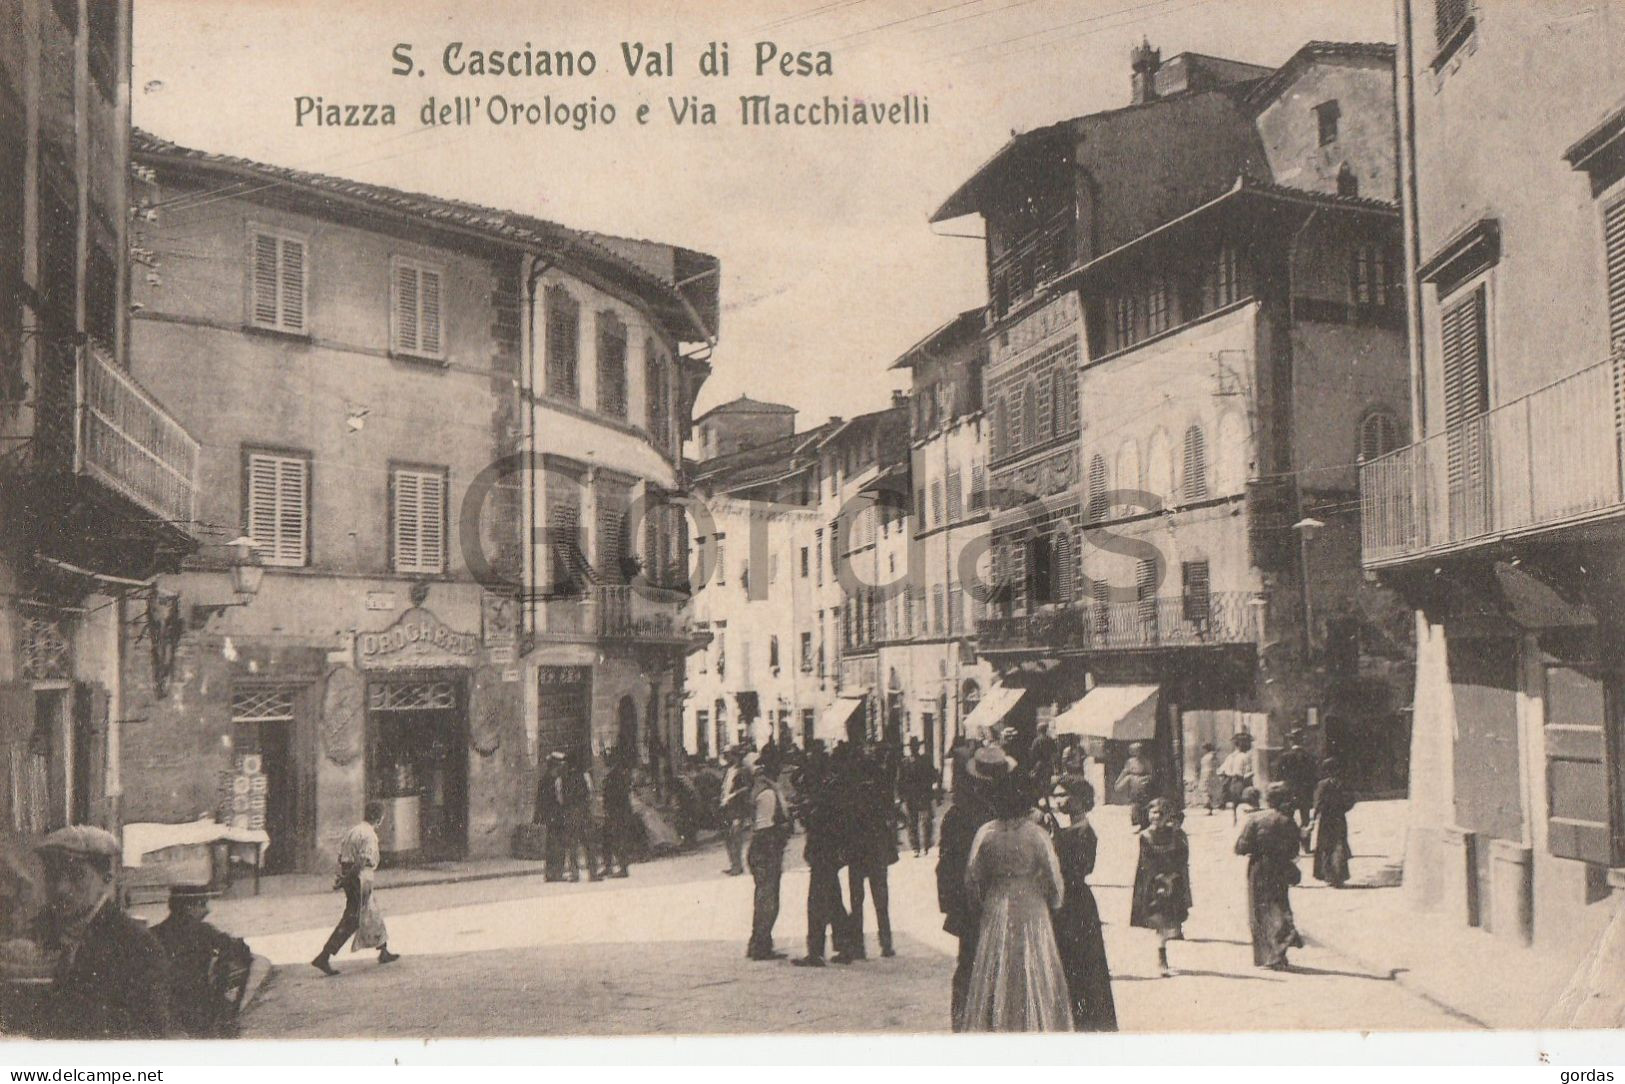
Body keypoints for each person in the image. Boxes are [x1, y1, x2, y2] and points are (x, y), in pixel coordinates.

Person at [960, 753, 1072, 1033]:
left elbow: (972, 878)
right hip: (1032, 906)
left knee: (997, 967)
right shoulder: (1036, 835)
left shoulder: (986, 833)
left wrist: (981, 904)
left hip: (997, 904)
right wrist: (1054, 903)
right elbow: (1054, 877)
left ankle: (999, 1024)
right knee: (1033, 964)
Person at [29, 826, 173, 1039]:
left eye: (76, 875)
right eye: (53, 875)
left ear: (106, 878)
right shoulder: (45, 928)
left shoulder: (136, 946)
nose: (61, 887)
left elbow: (150, 1040)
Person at [152, 885, 268, 1037]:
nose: (207, 910)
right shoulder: (203, 931)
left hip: (163, 1005)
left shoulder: (154, 933)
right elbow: (241, 952)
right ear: (189, 907)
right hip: (198, 1005)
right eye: (203, 905)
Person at [937, 745, 998, 1030]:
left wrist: (951, 905)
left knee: (968, 964)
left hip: (968, 902)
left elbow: (945, 866)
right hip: (990, 899)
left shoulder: (956, 815)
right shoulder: (995, 811)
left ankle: (963, 1023)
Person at [1052, 783, 1117, 1032]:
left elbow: (1080, 868)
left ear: (1079, 799)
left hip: (1076, 901)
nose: (1059, 800)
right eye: (1056, 795)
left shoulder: (1084, 832)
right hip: (1070, 899)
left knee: (1082, 963)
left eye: (1063, 794)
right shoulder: (1067, 829)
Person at [312, 801, 400, 975]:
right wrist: (346, 878)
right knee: (353, 918)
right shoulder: (369, 835)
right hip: (359, 877)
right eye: (381, 816)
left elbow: (341, 856)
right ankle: (324, 955)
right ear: (378, 818)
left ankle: (383, 950)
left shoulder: (354, 831)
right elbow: (361, 861)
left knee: (372, 912)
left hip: (351, 874)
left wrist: (341, 877)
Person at [791, 753, 857, 967]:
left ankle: (816, 951)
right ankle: (844, 946)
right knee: (833, 901)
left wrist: (805, 814)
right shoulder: (832, 791)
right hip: (828, 855)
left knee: (817, 903)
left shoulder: (824, 796)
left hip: (823, 855)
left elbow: (818, 824)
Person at [1235, 782, 1305, 970]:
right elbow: (1294, 850)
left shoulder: (1256, 820)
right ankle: (1280, 950)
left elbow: (1240, 847)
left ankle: (1268, 956)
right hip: (1280, 867)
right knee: (1279, 905)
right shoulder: (1287, 821)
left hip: (1258, 868)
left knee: (1258, 910)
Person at [1129, 797, 1192, 977]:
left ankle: (1164, 950)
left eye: (1161, 813)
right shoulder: (1145, 836)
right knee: (1160, 922)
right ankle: (1161, 959)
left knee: (1168, 920)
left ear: (1168, 816)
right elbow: (1147, 862)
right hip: (1153, 883)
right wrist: (1160, 878)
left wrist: (1173, 876)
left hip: (1173, 881)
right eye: (1153, 812)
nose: (1156, 816)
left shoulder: (1176, 835)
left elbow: (1182, 856)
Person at [846, 750, 899, 959]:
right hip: (876, 852)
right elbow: (889, 819)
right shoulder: (880, 794)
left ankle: (858, 945)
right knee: (881, 900)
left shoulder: (852, 795)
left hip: (857, 852)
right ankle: (886, 944)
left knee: (856, 900)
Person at [745, 750, 792, 961]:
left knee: (763, 897)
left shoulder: (762, 787)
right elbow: (766, 825)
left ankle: (758, 943)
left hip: (761, 846)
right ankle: (761, 946)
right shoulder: (768, 792)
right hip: (767, 846)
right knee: (768, 898)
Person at [1310, 757, 1355, 888]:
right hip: (1339, 818)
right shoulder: (1342, 783)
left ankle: (1329, 875)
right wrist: (1343, 809)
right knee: (1339, 844)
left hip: (1326, 819)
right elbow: (1350, 800)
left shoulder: (1322, 784)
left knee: (1326, 846)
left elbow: (1318, 802)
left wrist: (1315, 816)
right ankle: (1339, 875)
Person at [560, 749, 601, 882]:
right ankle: (593, 873)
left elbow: (560, 798)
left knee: (572, 845)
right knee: (589, 843)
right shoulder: (585, 775)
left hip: (570, 813)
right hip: (584, 812)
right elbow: (591, 792)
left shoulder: (562, 779)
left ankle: (574, 874)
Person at [598, 749, 636, 878]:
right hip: (614, 813)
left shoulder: (616, 775)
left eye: (606, 759)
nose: (604, 761)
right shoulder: (616, 774)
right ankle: (608, 866)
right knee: (607, 840)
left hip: (617, 813)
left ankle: (623, 868)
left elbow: (617, 797)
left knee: (618, 840)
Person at [898, 739, 936, 857]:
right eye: (912, 746)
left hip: (924, 795)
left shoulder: (926, 760)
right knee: (912, 822)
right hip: (911, 796)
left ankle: (926, 845)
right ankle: (915, 847)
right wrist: (901, 797)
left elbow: (933, 775)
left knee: (926, 821)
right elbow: (900, 780)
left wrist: (932, 791)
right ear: (910, 748)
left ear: (918, 747)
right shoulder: (904, 762)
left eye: (915, 746)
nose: (914, 748)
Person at [536, 751, 570, 880]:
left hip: (550, 818)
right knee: (558, 845)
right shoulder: (555, 780)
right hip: (557, 817)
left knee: (551, 845)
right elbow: (559, 800)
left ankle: (551, 873)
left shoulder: (544, 779)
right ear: (555, 766)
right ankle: (557, 873)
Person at [719, 745, 752, 877]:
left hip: (738, 807)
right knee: (728, 836)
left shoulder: (743, 770)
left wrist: (733, 795)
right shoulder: (728, 770)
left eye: (728, 755)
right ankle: (734, 864)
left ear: (736, 755)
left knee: (736, 835)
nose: (726, 758)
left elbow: (747, 787)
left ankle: (737, 866)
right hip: (727, 807)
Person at [1277, 729, 1318, 830]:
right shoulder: (1310, 757)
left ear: (1291, 741)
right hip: (1305, 791)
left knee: (1288, 818)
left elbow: (1279, 776)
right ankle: (1306, 843)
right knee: (1305, 819)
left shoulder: (1284, 757)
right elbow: (1315, 776)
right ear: (1303, 741)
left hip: (1290, 791)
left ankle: (1290, 842)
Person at [1114, 741, 1156, 831]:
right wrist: (1120, 780)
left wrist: (1145, 779)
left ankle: (1144, 824)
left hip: (1143, 785)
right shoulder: (1130, 762)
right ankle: (1136, 823)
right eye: (1134, 751)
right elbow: (1125, 772)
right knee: (1134, 805)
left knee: (1144, 805)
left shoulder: (1146, 761)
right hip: (1133, 786)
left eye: (1138, 750)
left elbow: (1151, 774)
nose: (1136, 752)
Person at [1218, 732, 1256, 822]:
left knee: (1235, 809)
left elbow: (1220, 771)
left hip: (1230, 785)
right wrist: (1253, 773)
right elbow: (1246, 774)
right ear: (1244, 744)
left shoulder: (1230, 756)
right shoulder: (1245, 757)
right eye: (1248, 742)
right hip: (1241, 783)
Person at [1197, 743, 1223, 815]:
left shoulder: (1207, 757)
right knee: (1210, 791)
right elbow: (1218, 765)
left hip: (1207, 775)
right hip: (1211, 774)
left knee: (1207, 791)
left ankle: (1210, 807)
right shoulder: (1212, 756)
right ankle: (1210, 807)